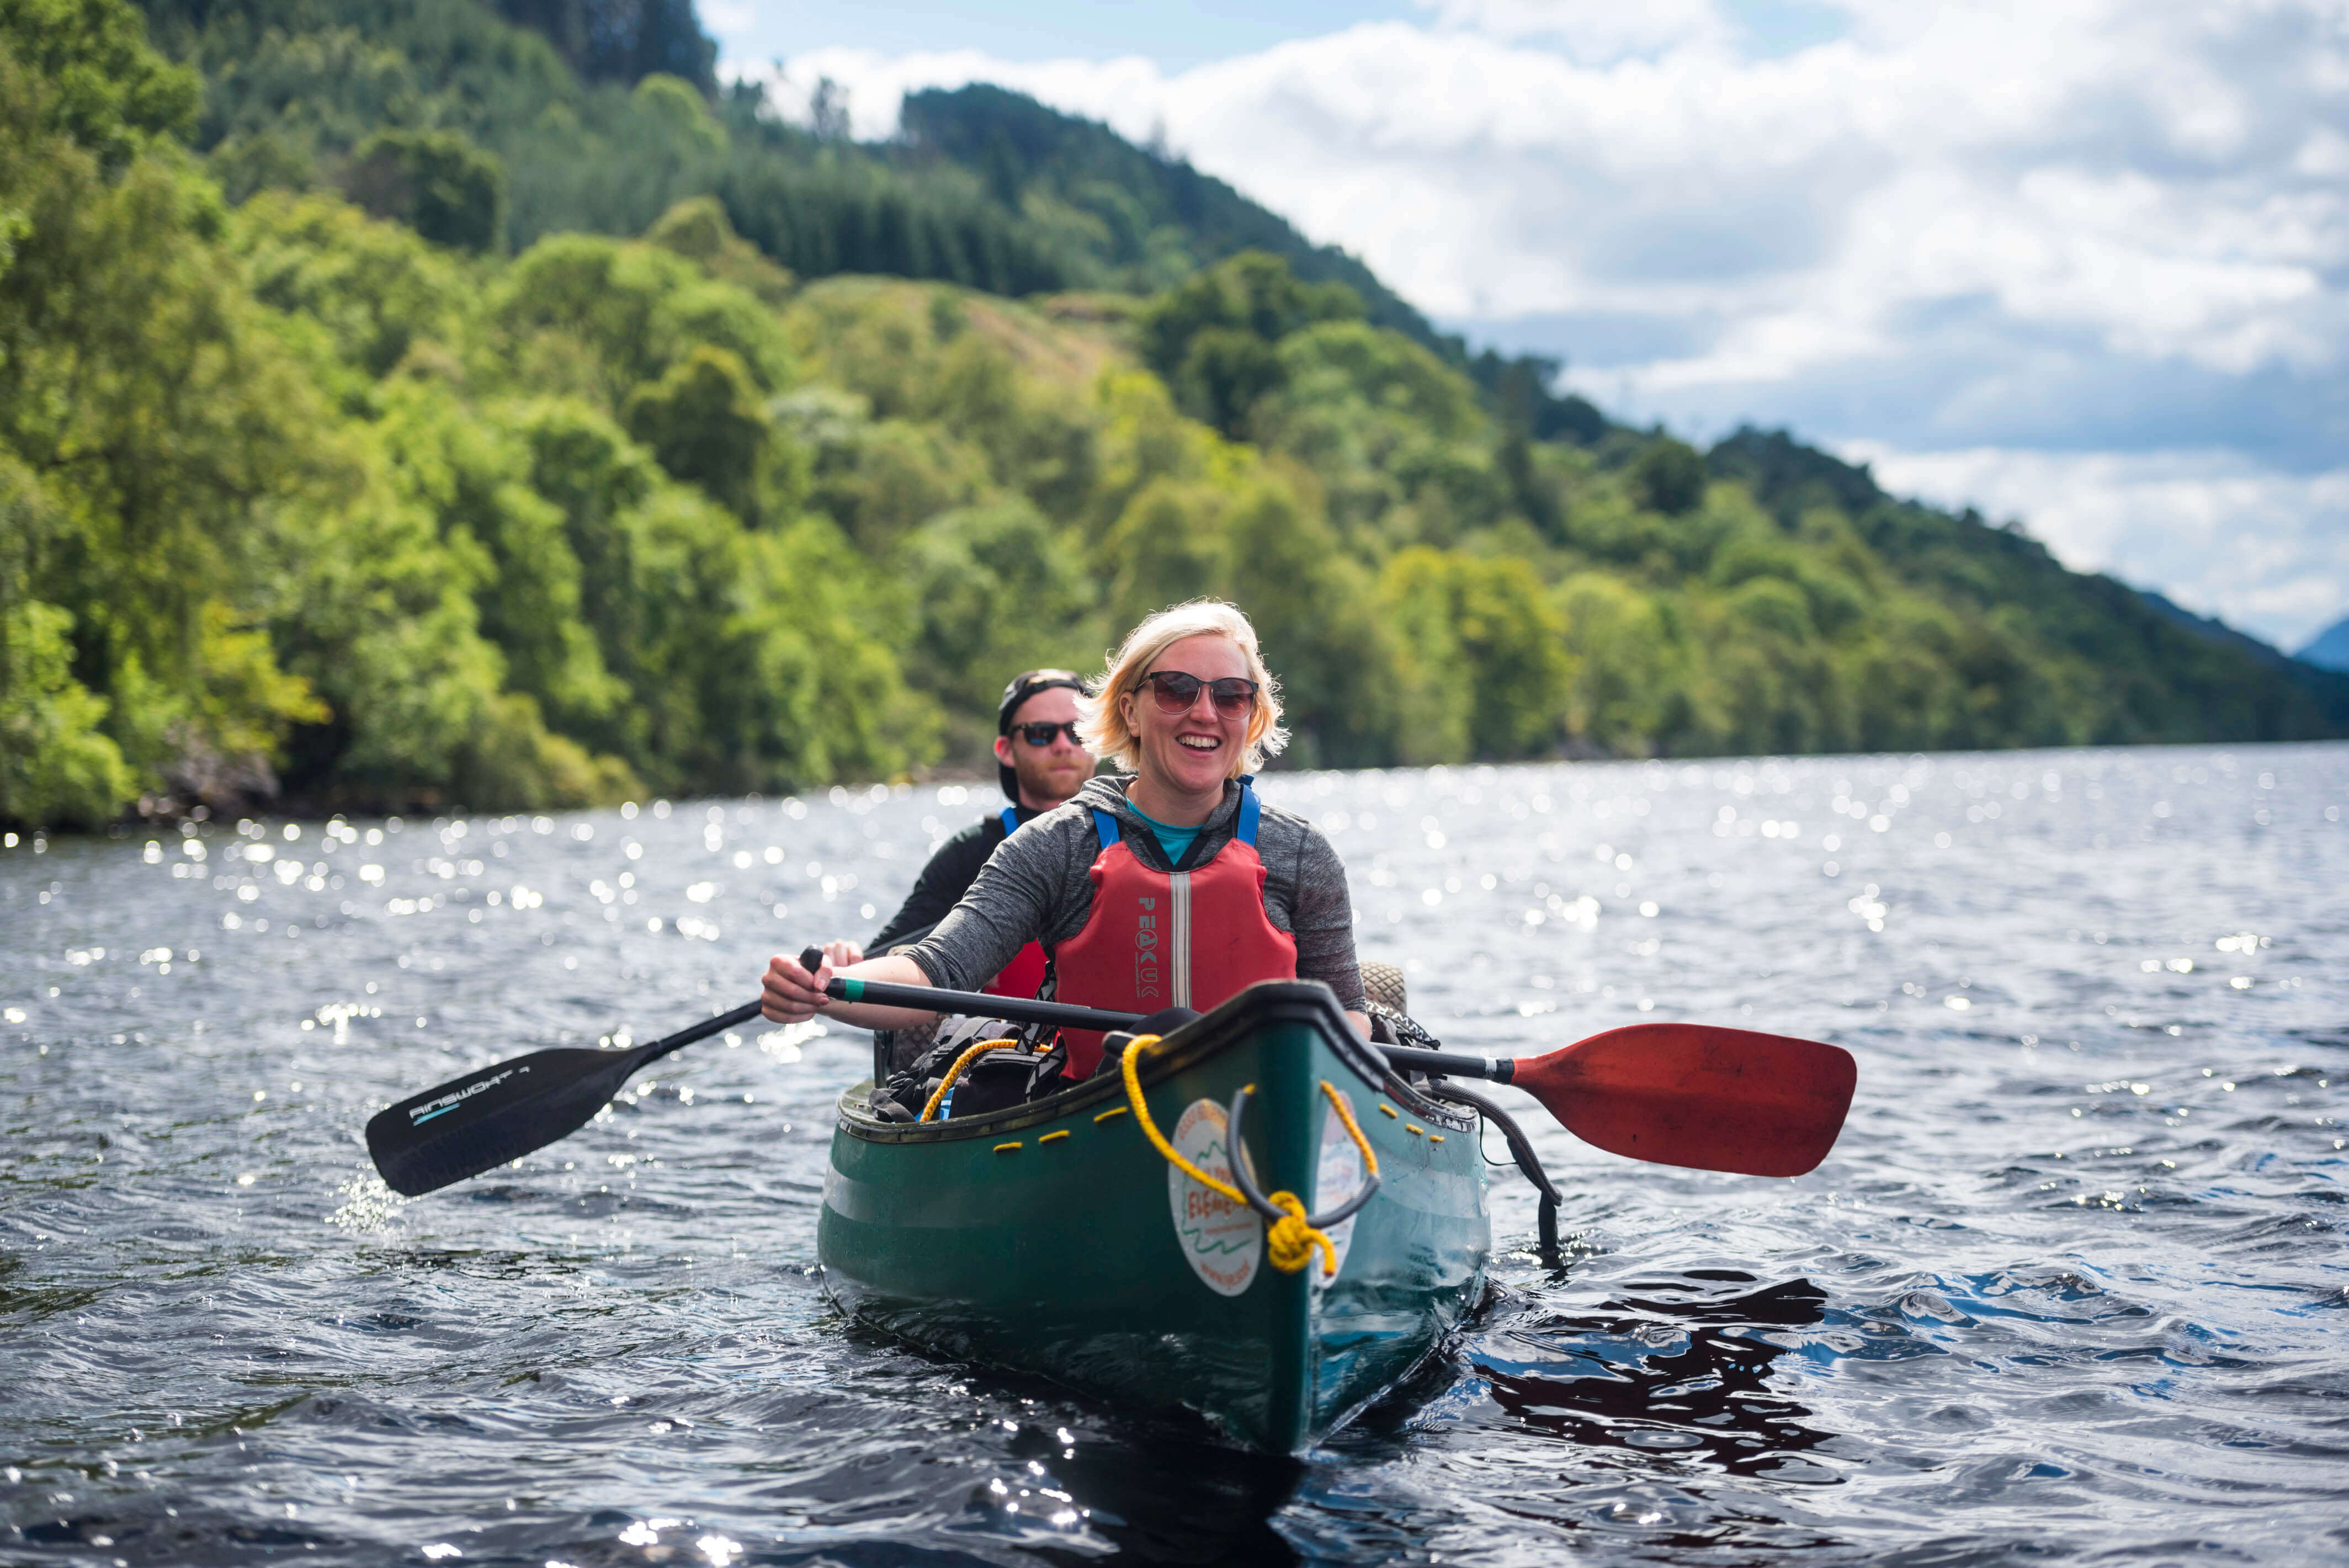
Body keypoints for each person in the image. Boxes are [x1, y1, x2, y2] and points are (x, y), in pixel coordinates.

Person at [761, 600, 1370, 1079]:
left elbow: (1347, 1015)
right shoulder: (1056, 845)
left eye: (1231, 696)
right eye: (1177, 690)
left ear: (1250, 718)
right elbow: (935, 974)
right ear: (1130, 712)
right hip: (1097, 1109)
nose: (1205, 714)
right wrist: (825, 992)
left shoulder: (1299, 852)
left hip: (1262, 1108)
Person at [811, 669, 1094, 1000]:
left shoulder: (1138, 831)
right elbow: (888, 954)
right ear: (1005, 750)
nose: (1062, 745)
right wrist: (845, 967)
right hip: (1013, 1044)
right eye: (1041, 734)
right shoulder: (973, 851)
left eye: (1077, 731)